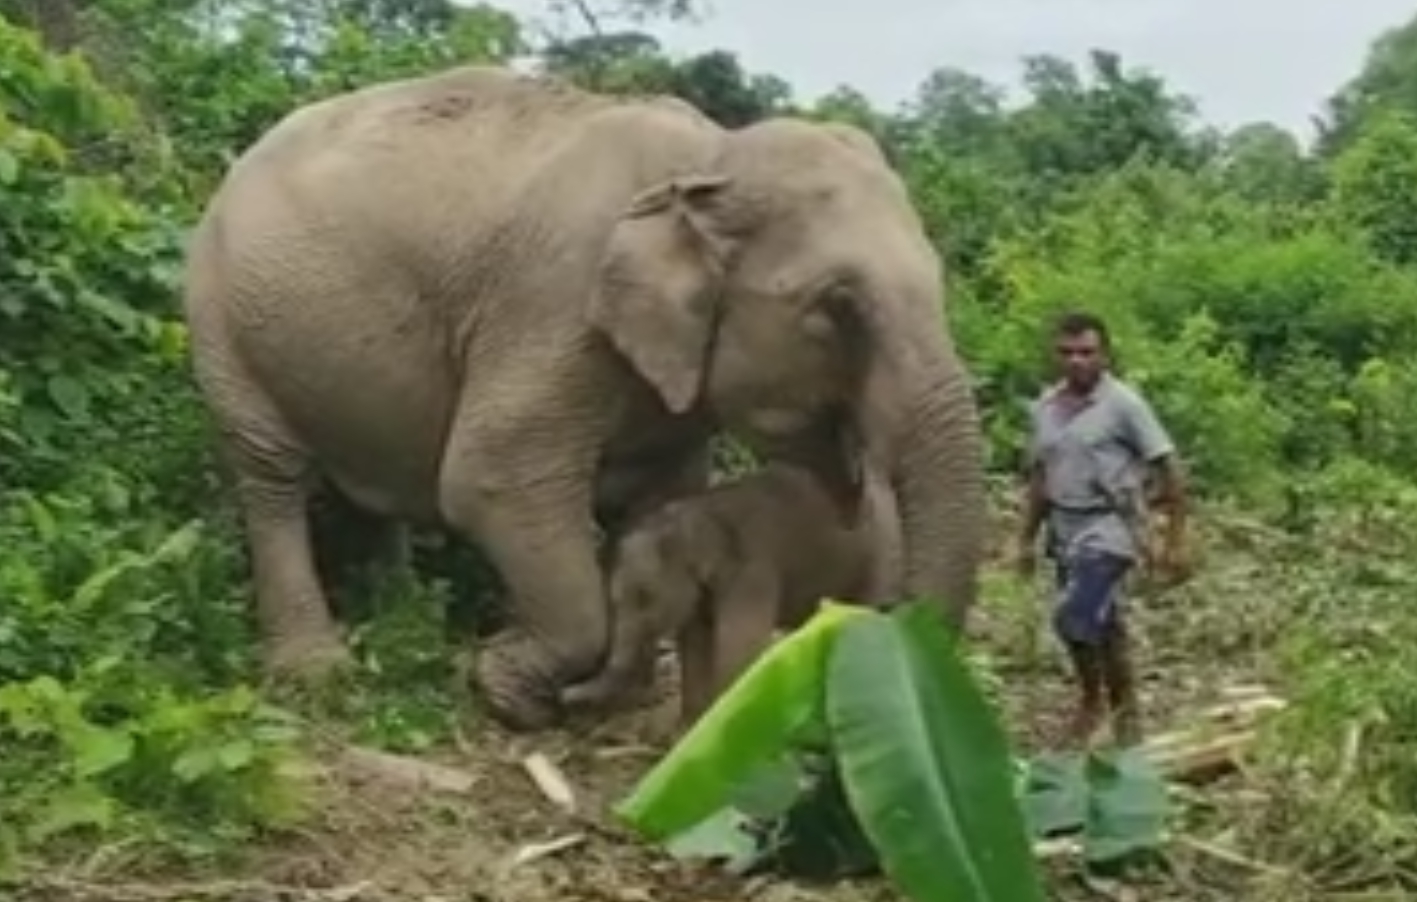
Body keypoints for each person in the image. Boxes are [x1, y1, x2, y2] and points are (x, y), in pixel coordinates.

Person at [1013, 311, 1191, 747]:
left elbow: (1168, 466)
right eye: (1067, 352)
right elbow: (1041, 477)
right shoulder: (1047, 408)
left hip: (1110, 523)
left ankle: (1098, 705)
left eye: (1087, 352)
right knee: (1103, 624)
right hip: (1064, 525)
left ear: (1105, 355)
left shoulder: (1123, 405)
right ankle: (1118, 708)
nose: (1076, 361)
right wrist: (1023, 539)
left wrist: (1175, 535)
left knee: (1073, 615)